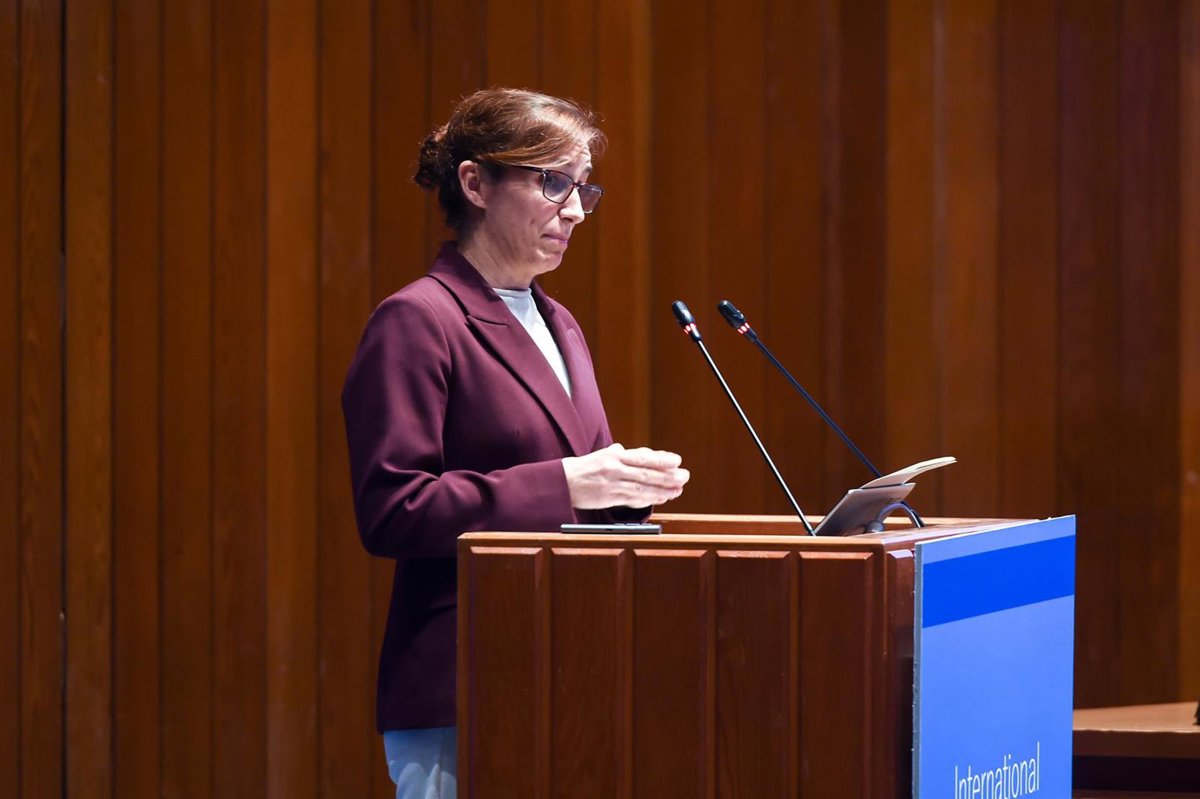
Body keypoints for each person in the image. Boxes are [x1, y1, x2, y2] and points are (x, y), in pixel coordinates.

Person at [341, 88, 690, 799]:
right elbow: (393, 511)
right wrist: (569, 483)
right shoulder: (418, 319)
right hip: (464, 683)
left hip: (569, 674)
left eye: (583, 187)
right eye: (553, 182)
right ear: (475, 184)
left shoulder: (560, 323)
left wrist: (628, 488)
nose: (575, 209)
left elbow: (577, 488)